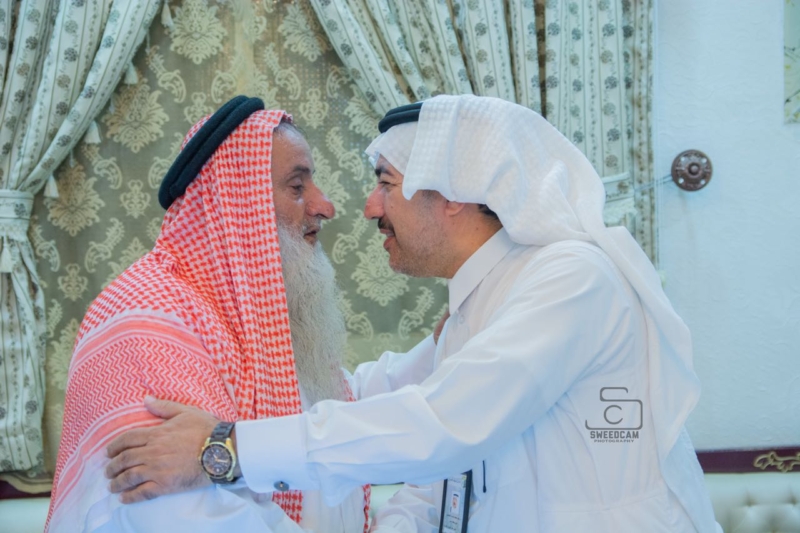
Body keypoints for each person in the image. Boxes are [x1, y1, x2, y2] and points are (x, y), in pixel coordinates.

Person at [104, 95, 722, 532]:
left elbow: (441, 426)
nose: (367, 207)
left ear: (450, 194)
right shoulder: (480, 307)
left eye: (385, 181)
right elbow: (434, 475)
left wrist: (226, 449)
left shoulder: (570, 279)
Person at [46, 96, 370, 533]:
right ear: (238, 203)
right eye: (297, 187)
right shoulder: (146, 319)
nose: (324, 205)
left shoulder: (250, 315)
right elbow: (188, 517)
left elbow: (336, 412)